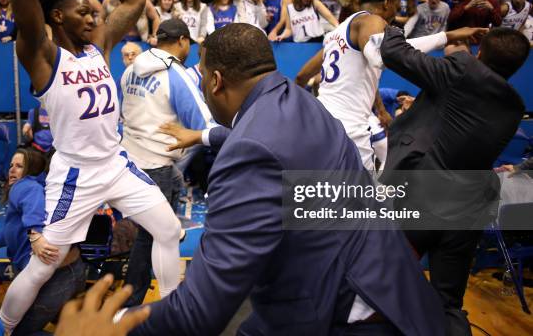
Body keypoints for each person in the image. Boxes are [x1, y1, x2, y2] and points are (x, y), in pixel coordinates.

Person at [126, 23, 446, 336]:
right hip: (392, 287)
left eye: (204, 76)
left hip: (350, 314)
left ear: (216, 82)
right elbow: (261, 135)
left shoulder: (248, 154)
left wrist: (113, 326)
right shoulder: (299, 100)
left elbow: (199, 311)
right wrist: (203, 136)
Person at [1, 0, 181, 333]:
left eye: (92, 11)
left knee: (168, 230)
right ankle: (2, 326)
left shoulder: (98, 46)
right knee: (45, 264)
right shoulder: (42, 57)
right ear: (56, 16)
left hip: (115, 164)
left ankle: (171, 313)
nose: (91, 17)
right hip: (75, 175)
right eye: (82, 12)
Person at [379, 26, 529, 334]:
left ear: (479, 52)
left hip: (423, 202)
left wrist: (392, 27)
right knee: (448, 303)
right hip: (468, 211)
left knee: (383, 278)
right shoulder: (513, 108)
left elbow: (394, 53)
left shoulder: (463, 69)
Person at [295, 0, 483, 170]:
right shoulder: (372, 20)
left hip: (320, 123)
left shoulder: (337, 33)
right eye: (397, 6)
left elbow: (301, 76)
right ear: (387, 3)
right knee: (361, 195)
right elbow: (384, 56)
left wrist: (447, 36)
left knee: (319, 192)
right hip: (349, 129)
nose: (397, 11)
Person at [120, 18, 212, 307]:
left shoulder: (130, 69)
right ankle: (142, 300)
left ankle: (136, 297)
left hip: (128, 161)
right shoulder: (175, 74)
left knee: (154, 233)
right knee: (159, 236)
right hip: (156, 164)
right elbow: (204, 124)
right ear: (183, 40)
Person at [0, 149, 86, 335]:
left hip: (57, 275)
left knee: (15, 330)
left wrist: (35, 234)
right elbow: (9, 234)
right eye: (11, 166)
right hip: (63, 269)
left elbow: (33, 208)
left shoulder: (26, 186)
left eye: (19, 166)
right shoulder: (34, 189)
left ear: (32, 171)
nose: (12, 170)